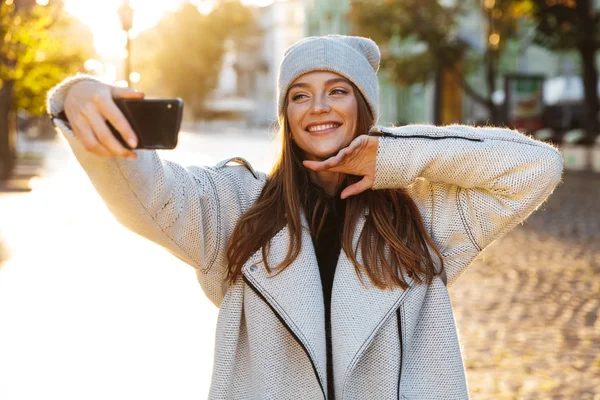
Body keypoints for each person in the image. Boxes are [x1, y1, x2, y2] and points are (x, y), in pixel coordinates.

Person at [47, 35, 563, 400]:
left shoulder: (422, 213)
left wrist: (393, 156)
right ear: (286, 116)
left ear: (363, 105)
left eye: (338, 90)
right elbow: (144, 194)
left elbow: (537, 166)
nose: (319, 106)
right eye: (300, 94)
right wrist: (76, 97)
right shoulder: (234, 208)